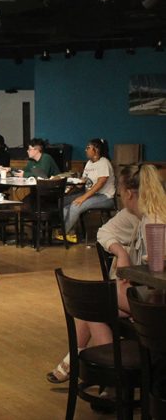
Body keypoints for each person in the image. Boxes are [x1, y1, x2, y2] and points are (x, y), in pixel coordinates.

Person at [47, 164, 166, 384]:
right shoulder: (144, 215)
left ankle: (109, 381)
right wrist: (121, 253)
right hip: (149, 296)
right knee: (91, 305)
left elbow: (157, 275)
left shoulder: (154, 220)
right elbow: (105, 233)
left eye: (120, 192)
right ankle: (108, 382)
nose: (119, 196)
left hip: (156, 303)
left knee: (92, 301)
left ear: (130, 193)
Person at [58, 138, 115, 244]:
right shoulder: (89, 163)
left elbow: (100, 183)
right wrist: (73, 184)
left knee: (75, 205)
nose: (85, 150)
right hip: (91, 194)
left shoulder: (104, 162)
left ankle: (63, 234)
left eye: (88, 147)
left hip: (104, 197)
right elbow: (84, 181)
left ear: (96, 150)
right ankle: (70, 232)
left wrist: (83, 197)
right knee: (64, 204)